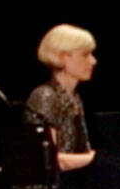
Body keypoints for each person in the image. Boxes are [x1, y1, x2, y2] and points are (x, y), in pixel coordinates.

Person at [26, 24, 98, 172]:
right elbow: (50, 159)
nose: (93, 61)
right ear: (62, 57)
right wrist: (99, 158)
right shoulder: (45, 96)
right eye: (85, 55)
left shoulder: (74, 98)